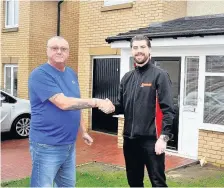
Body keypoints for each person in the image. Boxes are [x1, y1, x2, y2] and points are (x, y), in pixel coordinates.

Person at [28, 36, 114, 187]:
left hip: (68, 145)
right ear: (47, 51)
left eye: (64, 49)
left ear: (68, 53)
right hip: (46, 146)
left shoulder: (71, 74)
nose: (59, 51)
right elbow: (63, 103)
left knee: (68, 186)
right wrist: (96, 102)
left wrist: (83, 131)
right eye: (55, 48)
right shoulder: (40, 74)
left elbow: (76, 104)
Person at [110, 35, 175, 187]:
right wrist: (110, 107)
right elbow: (121, 105)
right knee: (134, 182)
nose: (139, 51)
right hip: (130, 140)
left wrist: (163, 137)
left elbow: (169, 110)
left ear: (149, 49)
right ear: (132, 50)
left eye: (142, 47)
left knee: (158, 182)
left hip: (152, 140)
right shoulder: (127, 78)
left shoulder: (160, 75)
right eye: (135, 48)